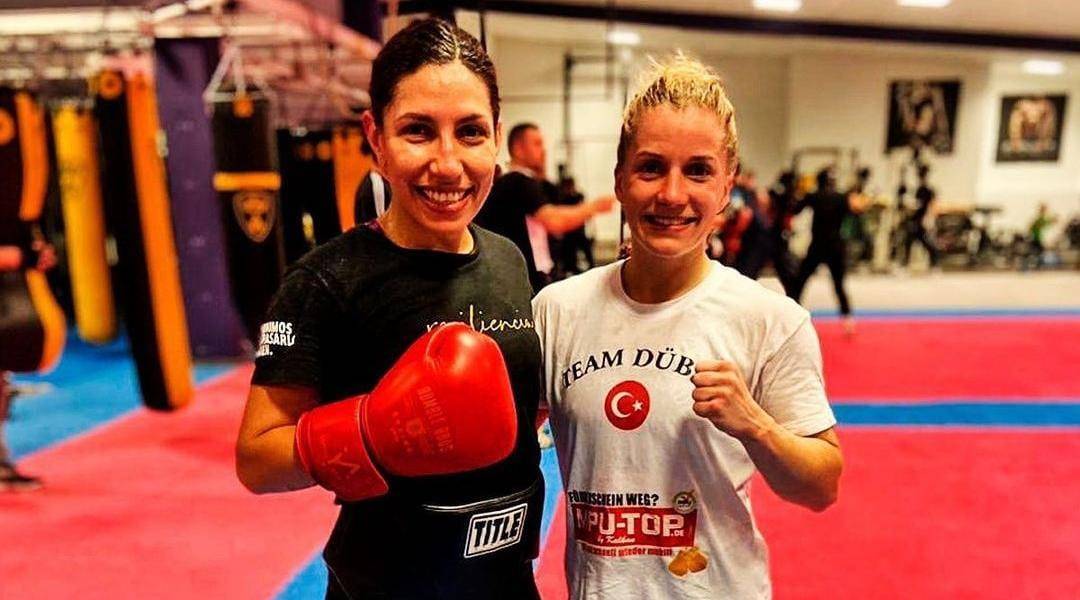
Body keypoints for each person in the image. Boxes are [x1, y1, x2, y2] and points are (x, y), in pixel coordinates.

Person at [235, 19, 544, 599]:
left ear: (497, 138)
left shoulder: (507, 258)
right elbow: (256, 459)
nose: (448, 164)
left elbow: (509, 415)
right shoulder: (326, 280)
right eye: (418, 131)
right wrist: (373, 432)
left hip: (507, 580)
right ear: (376, 138)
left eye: (471, 132)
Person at [533, 55, 842, 599]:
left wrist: (756, 425)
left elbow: (821, 486)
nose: (673, 195)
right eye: (651, 168)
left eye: (698, 171)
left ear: (726, 187)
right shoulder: (558, 311)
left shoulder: (770, 319)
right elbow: (501, 447)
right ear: (621, 180)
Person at [475, 122, 613, 293]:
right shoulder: (517, 182)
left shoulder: (528, 182)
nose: (543, 150)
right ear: (518, 149)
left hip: (528, 275)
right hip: (517, 279)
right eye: (537, 144)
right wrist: (595, 207)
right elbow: (555, 221)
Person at [788, 167, 868, 334]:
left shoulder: (814, 196)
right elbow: (858, 211)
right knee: (839, 284)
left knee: (800, 281)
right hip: (836, 247)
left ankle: (790, 316)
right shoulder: (842, 197)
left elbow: (794, 209)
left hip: (818, 246)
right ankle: (848, 319)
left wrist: (796, 192)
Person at [903, 163, 940, 269]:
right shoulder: (919, 189)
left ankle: (934, 263)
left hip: (922, 219)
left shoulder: (927, 190)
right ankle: (906, 263)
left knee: (923, 240)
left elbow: (931, 205)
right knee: (911, 240)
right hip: (916, 218)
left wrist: (929, 218)